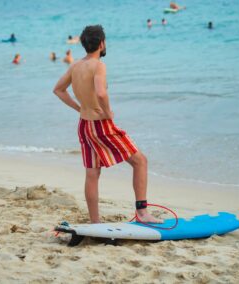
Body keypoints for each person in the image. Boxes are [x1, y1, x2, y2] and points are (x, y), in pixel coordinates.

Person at [53, 25, 162, 224]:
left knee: (92, 173)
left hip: (84, 125)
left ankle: (96, 222)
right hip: (101, 125)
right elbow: (101, 92)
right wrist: (107, 112)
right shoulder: (98, 66)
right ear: (102, 43)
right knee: (140, 161)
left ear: (84, 44)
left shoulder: (75, 66)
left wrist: (79, 108)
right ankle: (142, 212)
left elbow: (59, 90)